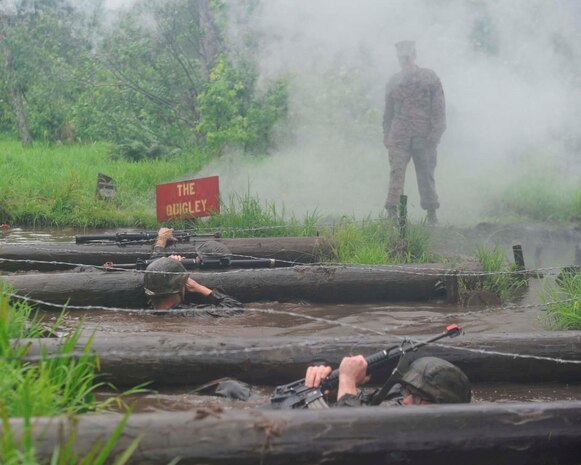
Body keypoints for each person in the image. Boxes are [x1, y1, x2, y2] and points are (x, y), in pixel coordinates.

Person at [383, 40, 446, 225]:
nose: (405, 60)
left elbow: (439, 108)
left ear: (414, 55)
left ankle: (431, 213)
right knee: (396, 174)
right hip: (399, 135)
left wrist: (436, 133)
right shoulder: (393, 81)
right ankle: (392, 213)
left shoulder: (429, 77)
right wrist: (386, 135)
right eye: (401, 57)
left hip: (424, 136)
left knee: (426, 174)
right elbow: (388, 112)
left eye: (408, 57)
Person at [304, 355, 471, 407]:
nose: (406, 400)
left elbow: (348, 437)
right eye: (407, 390)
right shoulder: (402, 399)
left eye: (418, 397)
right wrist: (333, 390)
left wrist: (347, 380)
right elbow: (368, 406)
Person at [144, 228, 242, 313]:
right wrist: (198, 287)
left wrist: (168, 261)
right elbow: (234, 307)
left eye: (198, 257)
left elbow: (154, 272)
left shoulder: (150, 306)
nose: (195, 257)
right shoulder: (188, 314)